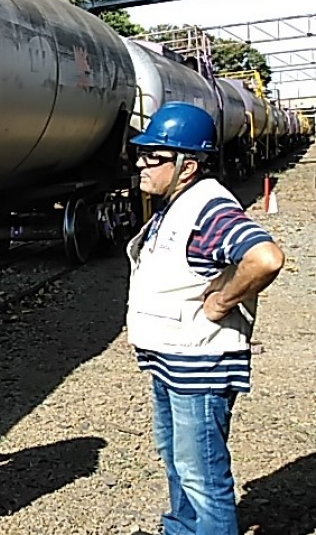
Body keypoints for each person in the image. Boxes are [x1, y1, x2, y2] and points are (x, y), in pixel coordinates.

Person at [125, 103, 285, 535]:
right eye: (141, 154)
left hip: (199, 365)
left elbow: (265, 257)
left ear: (187, 166)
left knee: (202, 474)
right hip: (173, 360)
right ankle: (181, 528)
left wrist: (221, 302)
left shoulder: (208, 208)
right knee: (179, 460)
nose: (140, 164)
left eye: (152, 157)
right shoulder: (176, 204)